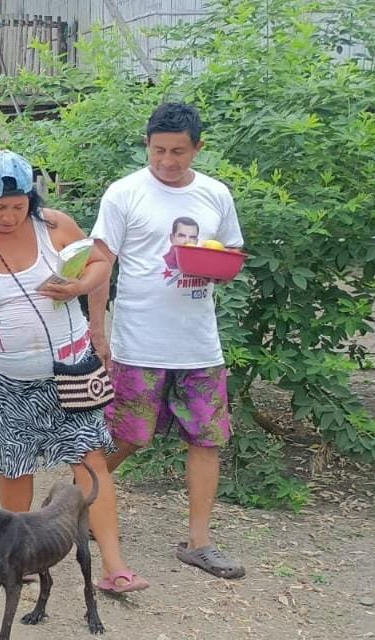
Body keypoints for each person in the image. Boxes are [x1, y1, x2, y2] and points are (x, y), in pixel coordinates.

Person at [0, 150, 147, 594]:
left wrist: (79, 287)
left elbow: (99, 262)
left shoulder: (56, 226)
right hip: (9, 381)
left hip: (72, 370)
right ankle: (19, 559)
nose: (9, 216)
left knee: (91, 461)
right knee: (15, 466)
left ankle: (114, 566)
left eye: (19, 207)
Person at [89, 102, 246, 580]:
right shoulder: (125, 194)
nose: (167, 161)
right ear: (147, 145)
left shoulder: (215, 194)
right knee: (127, 436)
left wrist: (214, 266)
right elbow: (100, 264)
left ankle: (199, 542)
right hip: (139, 341)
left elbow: (232, 251)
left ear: (198, 147)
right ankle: (81, 499)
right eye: (159, 150)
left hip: (199, 344)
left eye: (178, 151)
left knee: (207, 438)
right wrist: (98, 330)